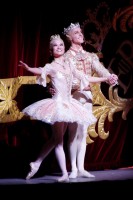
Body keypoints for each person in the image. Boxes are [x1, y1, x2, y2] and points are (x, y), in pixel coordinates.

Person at [18, 34, 109, 182]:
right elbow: (40, 70)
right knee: (59, 140)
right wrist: (28, 68)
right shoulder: (51, 66)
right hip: (57, 105)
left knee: (55, 139)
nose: (59, 47)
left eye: (61, 44)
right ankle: (64, 174)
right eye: (55, 45)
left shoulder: (69, 65)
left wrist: (104, 78)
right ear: (51, 50)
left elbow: (84, 77)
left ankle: (36, 163)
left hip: (69, 105)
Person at [62, 22, 118, 179]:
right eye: (76, 32)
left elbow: (100, 69)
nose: (80, 34)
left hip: (86, 96)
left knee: (83, 132)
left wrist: (109, 76)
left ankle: (81, 168)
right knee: (73, 132)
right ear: (69, 37)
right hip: (73, 96)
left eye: (80, 32)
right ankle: (72, 168)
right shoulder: (66, 57)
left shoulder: (89, 56)